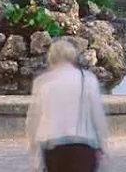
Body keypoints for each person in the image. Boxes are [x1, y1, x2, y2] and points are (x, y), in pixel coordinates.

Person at [25, 38, 108, 171]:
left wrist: (34, 155)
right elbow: (98, 117)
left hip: (54, 147)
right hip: (83, 146)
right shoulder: (88, 79)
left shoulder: (42, 82)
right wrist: (103, 146)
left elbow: (33, 120)